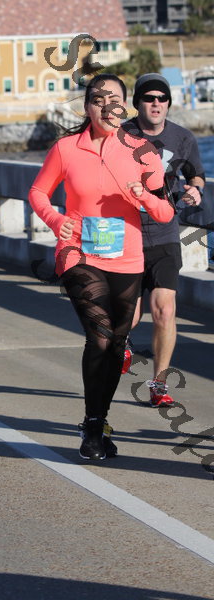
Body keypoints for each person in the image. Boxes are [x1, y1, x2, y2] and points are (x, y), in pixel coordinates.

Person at [29, 74, 174, 460]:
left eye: (114, 100)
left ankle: (98, 419)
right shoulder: (66, 148)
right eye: (97, 100)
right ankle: (93, 427)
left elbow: (165, 212)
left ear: (125, 106)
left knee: (117, 344)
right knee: (101, 337)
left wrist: (143, 196)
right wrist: (56, 220)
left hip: (127, 258)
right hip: (78, 253)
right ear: (87, 107)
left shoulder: (142, 151)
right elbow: (38, 191)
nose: (106, 107)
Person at [122, 73, 205, 406]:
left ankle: (159, 385)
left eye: (162, 98)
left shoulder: (182, 138)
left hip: (164, 232)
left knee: (165, 311)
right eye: (149, 98)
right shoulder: (120, 136)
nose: (156, 103)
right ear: (138, 103)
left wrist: (195, 190)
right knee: (129, 316)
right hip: (126, 234)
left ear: (168, 103)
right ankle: (122, 345)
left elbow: (196, 175)